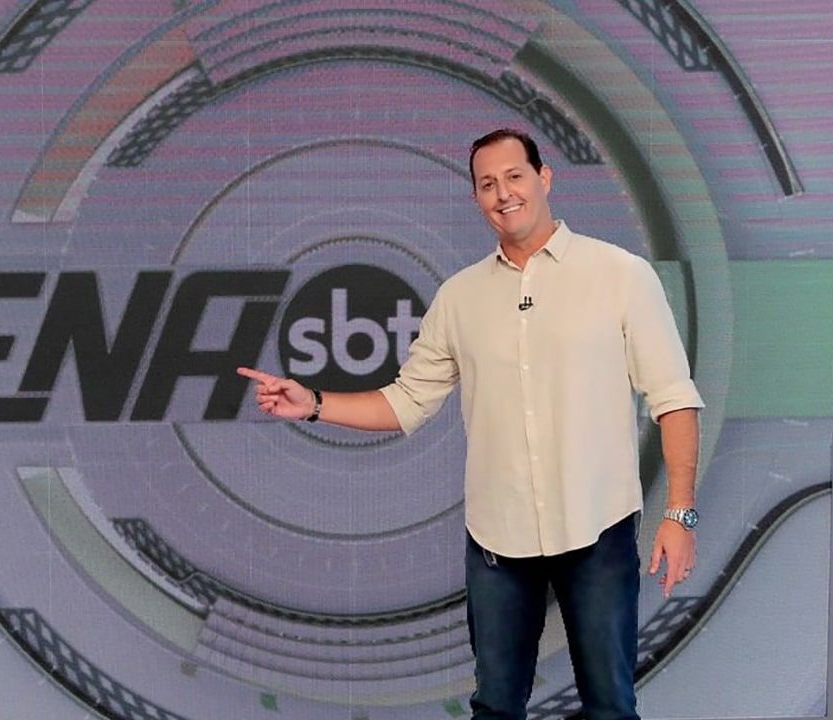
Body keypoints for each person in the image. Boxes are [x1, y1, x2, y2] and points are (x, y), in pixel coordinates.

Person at [236, 128, 703, 720]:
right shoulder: (459, 298)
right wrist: (314, 402)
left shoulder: (620, 274)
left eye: (514, 176)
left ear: (544, 178)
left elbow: (673, 398)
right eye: (487, 184)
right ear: (477, 198)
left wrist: (679, 513)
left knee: (610, 707)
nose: (503, 193)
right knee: (496, 708)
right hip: (497, 542)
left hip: (598, 531)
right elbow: (405, 403)